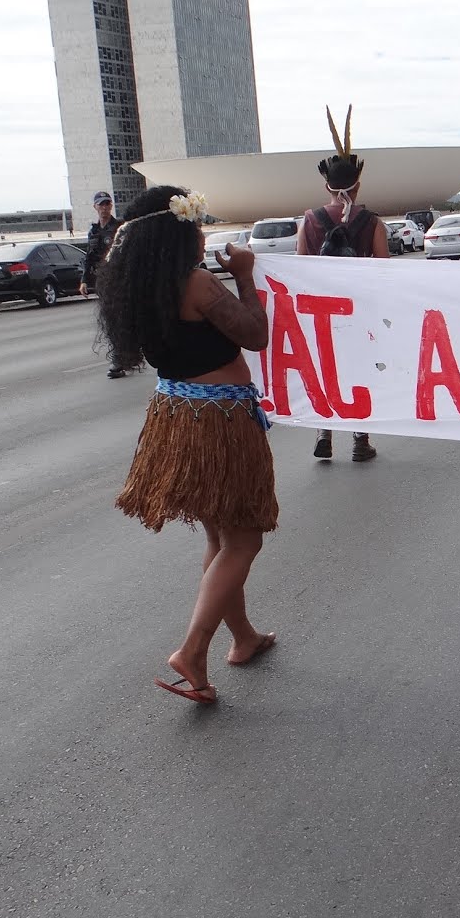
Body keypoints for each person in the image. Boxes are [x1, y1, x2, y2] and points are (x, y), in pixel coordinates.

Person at [96, 184, 278, 706]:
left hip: (175, 415)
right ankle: (192, 649)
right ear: (175, 233)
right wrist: (244, 275)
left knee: (220, 538)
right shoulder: (195, 284)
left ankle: (242, 638)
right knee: (244, 540)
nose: (201, 235)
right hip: (218, 419)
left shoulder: (139, 287)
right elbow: (254, 334)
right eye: (195, 227)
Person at [297, 106, 387, 462]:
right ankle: (360, 439)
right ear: (358, 185)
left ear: (327, 186)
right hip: (359, 309)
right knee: (357, 370)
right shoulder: (372, 222)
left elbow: (300, 267)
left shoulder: (309, 220)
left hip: (322, 309)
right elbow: (384, 271)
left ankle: (324, 432)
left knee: (326, 368)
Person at [82, 190, 129, 378]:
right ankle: (120, 357)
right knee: (111, 319)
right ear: (95, 207)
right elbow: (89, 257)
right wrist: (84, 280)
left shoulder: (120, 228)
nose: (104, 207)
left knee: (121, 319)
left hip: (119, 281)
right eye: (101, 204)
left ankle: (123, 356)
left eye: (107, 204)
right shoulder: (93, 231)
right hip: (103, 282)